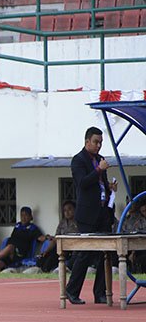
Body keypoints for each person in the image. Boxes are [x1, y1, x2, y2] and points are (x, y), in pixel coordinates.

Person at [65, 127, 114, 305]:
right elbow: (83, 183)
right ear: (87, 142)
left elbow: (99, 184)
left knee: (105, 253)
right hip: (87, 214)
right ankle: (71, 290)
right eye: (95, 142)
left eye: (101, 142)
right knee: (85, 252)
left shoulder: (100, 160)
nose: (98, 145)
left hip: (102, 212)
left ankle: (100, 293)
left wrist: (109, 188)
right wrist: (99, 170)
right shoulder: (78, 160)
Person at [0, 206, 46, 272]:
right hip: (9, 253)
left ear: (30, 217)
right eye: (22, 215)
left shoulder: (33, 228)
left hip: (20, 253)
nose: (23, 218)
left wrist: (48, 237)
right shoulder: (17, 226)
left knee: (10, 247)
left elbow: (40, 238)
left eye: (26, 215)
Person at [35, 201, 78, 273]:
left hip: (73, 248)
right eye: (65, 210)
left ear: (75, 210)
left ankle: (62, 269)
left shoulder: (78, 222)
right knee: (46, 255)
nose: (67, 212)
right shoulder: (62, 223)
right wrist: (46, 251)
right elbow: (56, 239)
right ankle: (44, 270)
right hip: (61, 246)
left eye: (69, 209)